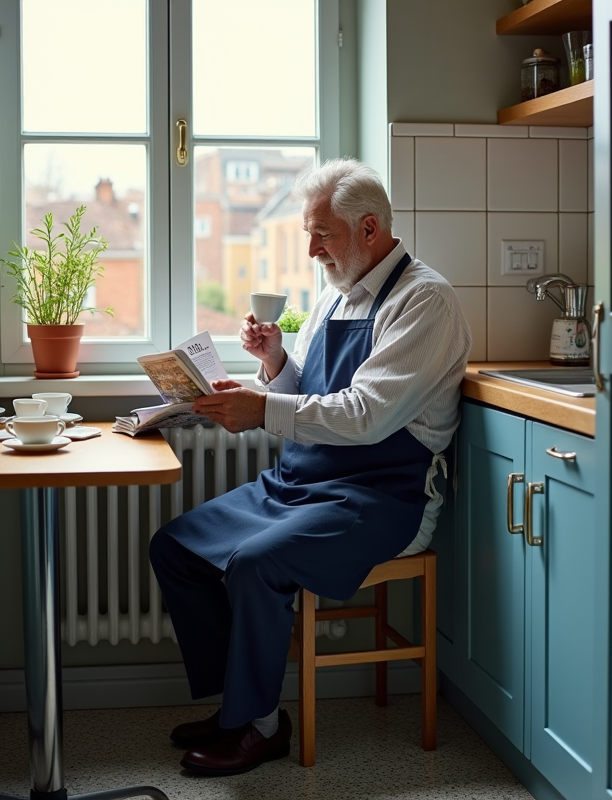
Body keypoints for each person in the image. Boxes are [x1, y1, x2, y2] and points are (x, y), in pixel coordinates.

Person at [148, 157, 473, 776]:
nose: (311, 248)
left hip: (381, 498)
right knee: (176, 548)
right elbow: (310, 388)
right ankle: (238, 709)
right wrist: (274, 363)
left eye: (320, 233)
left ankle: (261, 727)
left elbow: (365, 415)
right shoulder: (332, 298)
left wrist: (263, 407)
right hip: (300, 484)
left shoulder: (425, 302)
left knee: (256, 566)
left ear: (369, 228)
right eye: (309, 233)